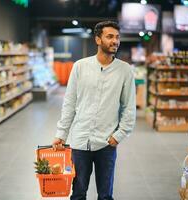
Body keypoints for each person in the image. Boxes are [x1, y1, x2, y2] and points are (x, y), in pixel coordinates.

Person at [52, 21, 136, 200]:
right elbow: (69, 103)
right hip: (80, 142)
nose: (115, 41)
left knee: (105, 195)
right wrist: (61, 134)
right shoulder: (80, 67)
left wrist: (118, 136)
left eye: (117, 37)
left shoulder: (124, 70)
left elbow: (129, 107)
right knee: (78, 193)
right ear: (98, 39)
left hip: (106, 143)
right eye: (110, 36)